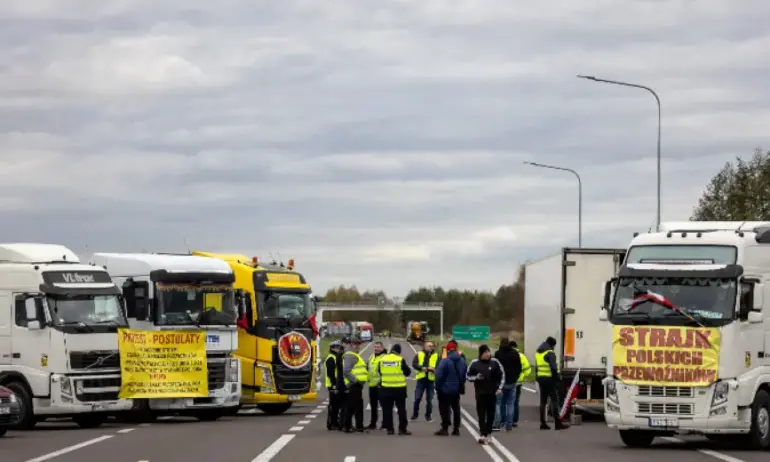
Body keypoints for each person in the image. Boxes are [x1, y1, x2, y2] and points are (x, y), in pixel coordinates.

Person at [466, 344, 504, 444]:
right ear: (481, 354)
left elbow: (502, 375)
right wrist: (476, 377)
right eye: (485, 353)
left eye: (488, 352)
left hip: (492, 393)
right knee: (481, 414)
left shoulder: (495, 362)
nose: (487, 354)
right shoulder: (475, 363)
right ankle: (483, 434)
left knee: (491, 414)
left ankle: (489, 433)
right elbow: (468, 376)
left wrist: (500, 388)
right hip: (480, 393)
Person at [433, 340, 467, 436]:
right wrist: (461, 385)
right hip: (456, 389)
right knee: (456, 408)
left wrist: (437, 386)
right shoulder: (462, 361)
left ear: (447, 350)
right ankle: (456, 429)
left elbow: (439, 375)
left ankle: (445, 428)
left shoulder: (445, 361)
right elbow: (464, 374)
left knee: (444, 408)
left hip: (445, 388)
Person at [378, 344, 412, 435]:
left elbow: (379, 371)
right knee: (401, 409)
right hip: (399, 388)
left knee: (387, 410)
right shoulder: (400, 359)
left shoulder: (382, 359)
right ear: (399, 352)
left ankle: (390, 429)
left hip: (385, 388)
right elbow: (408, 372)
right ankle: (402, 429)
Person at [536, 336, 567, 430]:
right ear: (552, 344)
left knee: (543, 401)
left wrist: (537, 378)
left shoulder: (538, 352)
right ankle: (557, 423)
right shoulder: (550, 352)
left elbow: (537, 367)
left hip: (541, 378)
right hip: (549, 379)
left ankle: (542, 423)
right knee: (554, 400)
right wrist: (557, 378)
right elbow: (553, 368)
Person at [492, 337, 522, 432]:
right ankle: (509, 425)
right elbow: (519, 367)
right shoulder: (515, 353)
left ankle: (499, 422)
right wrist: (515, 378)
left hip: (500, 382)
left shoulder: (498, 354)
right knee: (510, 404)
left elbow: (494, 367)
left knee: (498, 403)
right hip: (512, 382)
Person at [341, 336, 368, 433]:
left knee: (352, 406)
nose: (358, 346)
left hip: (356, 385)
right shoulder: (350, 355)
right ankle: (356, 426)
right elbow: (346, 370)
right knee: (356, 406)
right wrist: (355, 380)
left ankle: (348, 426)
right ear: (351, 344)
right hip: (354, 385)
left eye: (359, 344)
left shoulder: (353, 354)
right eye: (356, 344)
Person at [411, 341, 438, 422]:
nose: (431, 347)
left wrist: (435, 369)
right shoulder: (419, 354)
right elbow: (414, 364)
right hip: (421, 379)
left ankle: (428, 416)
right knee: (417, 399)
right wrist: (421, 368)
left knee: (429, 400)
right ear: (425, 346)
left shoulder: (436, 355)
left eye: (432, 346)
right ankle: (415, 415)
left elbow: (439, 365)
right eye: (429, 346)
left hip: (430, 380)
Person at [366, 341, 387, 430]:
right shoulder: (371, 356)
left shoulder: (385, 357)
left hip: (381, 385)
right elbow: (368, 368)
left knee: (384, 406)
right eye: (375, 347)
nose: (376, 349)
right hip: (372, 385)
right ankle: (373, 423)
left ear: (382, 348)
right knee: (373, 406)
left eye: (378, 347)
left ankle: (385, 424)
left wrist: (382, 382)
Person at [325, 340, 344, 430]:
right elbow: (330, 373)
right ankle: (333, 423)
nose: (338, 349)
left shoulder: (335, 357)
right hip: (333, 384)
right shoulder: (331, 358)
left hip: (334, 384)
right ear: (332, 348)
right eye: (337, 348)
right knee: (334, 405)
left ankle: (334, 422)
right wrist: (335, 384)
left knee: (336, 405)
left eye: (339, 348)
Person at [511, 340, 530, 428]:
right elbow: (528, 369)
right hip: (519, 382)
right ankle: (515, 421)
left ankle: (507, 420)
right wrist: (523, 376)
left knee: (507, 401)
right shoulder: (522, 356)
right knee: (516, 402)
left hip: (509, 381)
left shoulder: (508, 355)